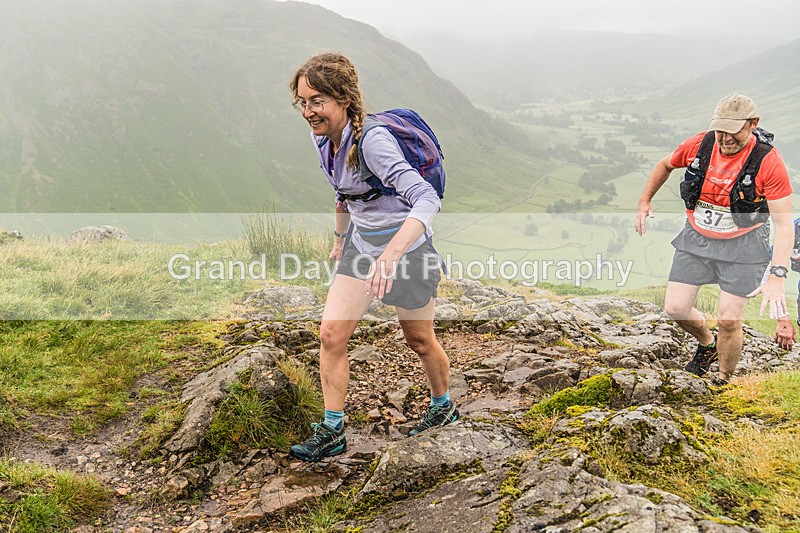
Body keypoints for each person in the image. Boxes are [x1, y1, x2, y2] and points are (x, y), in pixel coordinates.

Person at [287, 52, 458, 462]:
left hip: (409, 250)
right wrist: (338, 239)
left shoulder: (374, 141)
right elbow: (344, 190)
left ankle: (443, 408)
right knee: (331, 335)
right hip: (362, 247)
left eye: (317, 101)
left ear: (344, 98)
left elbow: (426, 198)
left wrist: (392, 256)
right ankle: (332, 430)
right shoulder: (322, 137)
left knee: (418, 339)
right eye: (302, 102)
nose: (308, 111)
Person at [635, 93, 794, 385]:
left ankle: (723, 379)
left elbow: (785, 224)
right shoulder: (701, 144)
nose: (725, 137)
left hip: (745, 241)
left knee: (730, 320)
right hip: (697, 237)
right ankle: (707, 345)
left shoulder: (768, 161)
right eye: (720, 128)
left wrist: (777, 276)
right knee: (675, 308)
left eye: (733, 130)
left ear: (752, 124)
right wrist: (645, 201)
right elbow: (665, 165)